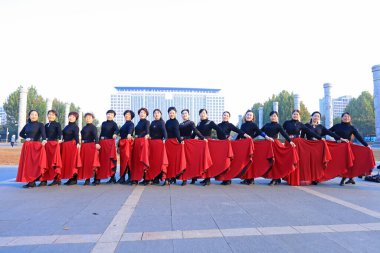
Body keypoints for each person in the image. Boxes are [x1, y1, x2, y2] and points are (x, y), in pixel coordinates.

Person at [330, 112, 370, 185]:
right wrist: (337, 138)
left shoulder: (351, 127)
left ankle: (344, 178)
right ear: (341, 118)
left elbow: (358, 136)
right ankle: (350, 178)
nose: (346, 118)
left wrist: (366, 145)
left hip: (347, 148)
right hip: (338, 147)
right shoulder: (336, 126)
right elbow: (328, 132)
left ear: (350, 118)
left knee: (347, 162)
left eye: (348, 117)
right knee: (339, 163)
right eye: (345, 116)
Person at [237, 110, 273, 186]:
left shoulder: (253, 125)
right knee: (245, 162)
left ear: (253, 117)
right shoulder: (243, 125)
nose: (248, 116)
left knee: (250, 161)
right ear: (245, 116)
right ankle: (246, 178)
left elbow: (260, 132)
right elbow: (240, 134)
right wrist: (234, 142)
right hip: (243, 145)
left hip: (250, 144)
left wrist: (267, 137)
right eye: (247, 114)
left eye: (250, 115)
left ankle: (251, 179)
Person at [194, 108, 227, 186]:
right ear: (199, 115)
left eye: (204, 113)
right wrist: (189, 139)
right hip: (200, 143)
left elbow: (219, 130)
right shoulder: (198, 124)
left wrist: (225, 137)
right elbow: (195, 133)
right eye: (201, 113)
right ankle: (205, 178)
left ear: (206, 114)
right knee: (202, 161)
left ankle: (208, 179)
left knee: (207, 160)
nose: (202, 114)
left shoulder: (210, 122)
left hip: (208, 143)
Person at [261, 111, 295, 186]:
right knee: (268, 162)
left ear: (277, 117)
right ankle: (276, 178)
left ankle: (275, 178)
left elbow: (284, 134)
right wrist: (252, 138)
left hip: (275, 145)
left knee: (275, 162)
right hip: (267, 145)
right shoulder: (266, 125)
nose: (273, 117)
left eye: (275, 116)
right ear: (269, 117)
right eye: (272, 116)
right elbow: (259, 131)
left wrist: (290, 141)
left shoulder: (278, 126)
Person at [16, 110, 47, 188]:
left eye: (35, 115)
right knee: (28, 164)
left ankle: (37, 179)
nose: (33, 116)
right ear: (29, 116)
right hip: (27, 146)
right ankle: (31, 181)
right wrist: (26, 138)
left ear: (38, 116)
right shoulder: (27, 125)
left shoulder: (40, 125)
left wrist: (44, 140)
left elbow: (43, 134)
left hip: (36, 146)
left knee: (36, 164)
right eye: (32, 114)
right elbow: (21, 133)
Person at [179, 109, 207, 186]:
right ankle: (184, 179)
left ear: (188, 115)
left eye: (186, 113)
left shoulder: (191, 122)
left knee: (190, 161)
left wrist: (202, 138)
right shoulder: (180, 124)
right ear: (181, 115)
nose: (184, 115)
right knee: (183, 161)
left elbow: (195, 131)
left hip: (188, 143)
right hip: (182, 144)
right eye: (183, 114)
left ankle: (193, 177)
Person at [40, 110, 63, 186]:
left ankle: (57, 179)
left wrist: (59, 139)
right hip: (47, 145)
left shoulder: (57, 124)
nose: (51, 116)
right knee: (47, 162)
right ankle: (44, 180)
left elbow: (60, 133)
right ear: (47, 115)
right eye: (49, 114)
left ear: (55, 116)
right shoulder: (46, 125)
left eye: (53, 115)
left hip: (54, 144)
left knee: (54, 162)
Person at [96, 110, 119, 185]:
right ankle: (98, 177)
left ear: (113, 116)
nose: (109, 115)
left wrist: (115, 134)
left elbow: (117, 130)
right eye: (108, 114)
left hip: (109, 143)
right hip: (102, 142)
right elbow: (101, 133)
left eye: (111, 114)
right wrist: (98, 142)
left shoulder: (114, 124)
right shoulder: (103, 123)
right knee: (101, 160)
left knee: (110, 160)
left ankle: (112, 177)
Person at [145, 109, 167, 185]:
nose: (156, 114)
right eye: (155, 113)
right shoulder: (152, 122)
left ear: (160, 114)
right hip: (152, 144)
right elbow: (149, 132)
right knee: (152, 161)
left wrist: (165, 139)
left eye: (158, 113)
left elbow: (164, 132)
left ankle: (158, 177)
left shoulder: (162, 122)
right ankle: (154, 177)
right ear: (153, 115)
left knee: (158, 161)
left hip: (159, 143)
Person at [78, 113, 100, 186]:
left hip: (91, 146)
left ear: (92, 119)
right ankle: (87, 178)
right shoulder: (84, 127)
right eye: (86, 117)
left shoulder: (93, 127)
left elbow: (95, 136)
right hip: (84, 146)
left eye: (89, 117)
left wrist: (97, 143)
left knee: (91, 162)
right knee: (85, 162)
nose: (88, 119)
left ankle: (95, 179)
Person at [164, 107, 184, 186]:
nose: (171, 114)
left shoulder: (176, 122)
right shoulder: (167, 122)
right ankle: (169, 177)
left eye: (173, 112)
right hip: (168, 142)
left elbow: (177, 132)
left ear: (175, 113)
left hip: (174, 142)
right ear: (168, 114)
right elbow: (165, 132)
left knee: (173, 161)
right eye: (170, 113)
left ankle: (172, 177)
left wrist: (180, 141)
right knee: (168, 160)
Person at [130, 108, 150, 185]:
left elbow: (147, 131)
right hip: (137, 141)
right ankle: (136, 178)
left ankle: (146, 178)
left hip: (143, 141)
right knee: (137, 160)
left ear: (146, 114)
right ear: (139, 114)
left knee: (143, 159)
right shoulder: (138, 122)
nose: (142, 114)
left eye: (144, 113)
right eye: (141, 112)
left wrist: (147, 135)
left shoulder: (147, 122)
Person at [62, 112, 82, 186]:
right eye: (70, 116)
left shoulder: (75, 127)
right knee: (68, 162)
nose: (71, 117)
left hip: (72, 145)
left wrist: (77, 143)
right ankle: (70, 178)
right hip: (66, 145)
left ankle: (74, 178)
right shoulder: (67, 126)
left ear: (76, 118)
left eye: (73, 117)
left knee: (72, 162)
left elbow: (76, 135)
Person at [117, 110, 135, 184]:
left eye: (128, 114)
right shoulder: (124, 124)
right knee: (123, 160)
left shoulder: (131, 124)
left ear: (131, 116)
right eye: (126, 114)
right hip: (123, 143)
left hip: (127, 142)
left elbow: (131, 129)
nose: (127, 115)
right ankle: (122, 177)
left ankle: (130, 177)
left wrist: (129, 134)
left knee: (128, 159)